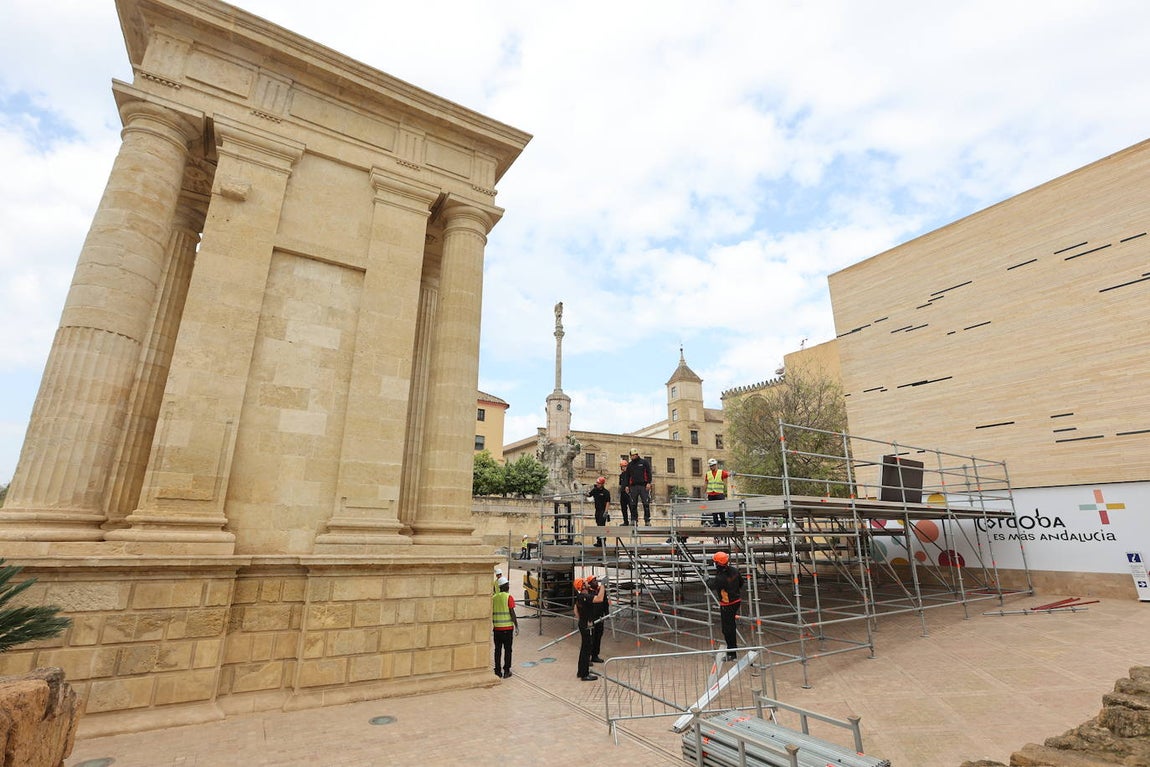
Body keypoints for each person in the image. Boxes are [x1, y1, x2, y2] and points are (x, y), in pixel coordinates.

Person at [708, 551, 743, 661]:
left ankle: (732, 653)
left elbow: (711, 585)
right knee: (730, 627)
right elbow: (741, 583)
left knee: (728, 629)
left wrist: (706, 579)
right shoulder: (734, 571)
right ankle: (732, 650)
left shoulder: (720, 578)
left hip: (727, 605)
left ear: (718, 564)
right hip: (737, 601)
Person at [574, 577, 604, 680]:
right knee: (586, 650)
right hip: (586, 626)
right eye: (585, 582)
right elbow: (599, 598)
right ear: (582, 586)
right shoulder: (584, 596)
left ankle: (581, 672)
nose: (588, 583)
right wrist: (603, 585)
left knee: (584, 649)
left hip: (583, 624)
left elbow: (575, 610)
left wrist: (582, 619)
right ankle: (584, 675)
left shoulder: (580, 597)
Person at [492, 576, 519, 678]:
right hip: (507, 629)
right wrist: (516, 626)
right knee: (508, 650)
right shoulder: (509, 597)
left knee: (497, 650)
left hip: (497, 629)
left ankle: (497, 671)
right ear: (506, 586)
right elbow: (512, 612)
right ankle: (507, 671)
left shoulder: (494, 598)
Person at [624, 448, 653, 525]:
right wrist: (627, 486)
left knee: (646, 503)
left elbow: (649, 473)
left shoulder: (644, 462)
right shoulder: (629, 465)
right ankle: (634, 520)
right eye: (631, 456)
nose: (633, 457)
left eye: (634, 455)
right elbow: (627, 476)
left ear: (637, 455)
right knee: (633, 504)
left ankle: (647, 520)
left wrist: (649, 483)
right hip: (633, 487)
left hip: (643, 486)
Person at [705, 458, 733, 527]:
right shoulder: (708, 474)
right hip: (711, 494)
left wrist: (732, 473)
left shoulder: (721, 472)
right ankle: (716, 523)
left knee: (721, 509)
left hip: (719, 494)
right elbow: (706, 483)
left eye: (713, 465)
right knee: (713, 510)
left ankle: (723, 522)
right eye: (711, 466)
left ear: (716, 465)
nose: (712, 467)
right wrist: (705, 493)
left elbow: (727, 474)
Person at [587, 575, 608, 664]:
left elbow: (605, 602)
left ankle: (595, 655)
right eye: (593, 581)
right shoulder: (588, 593)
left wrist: (606, 614)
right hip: (591, 619)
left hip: (600, 618)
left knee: (598, 637)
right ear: (590, 583)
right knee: (590, 639)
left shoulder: (600, 590)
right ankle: (587, 658)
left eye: (596, 580)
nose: (596, 582)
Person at [586, 476, 611, 546]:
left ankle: (603, 542)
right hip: (597, 510)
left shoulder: (606, 492)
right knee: (598, 525)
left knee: (602, 526)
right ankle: (599, 541)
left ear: (602, 484)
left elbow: (607, 502)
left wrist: (606, 512)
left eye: (599, 483)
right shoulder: (595, 490)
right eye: (597, 483)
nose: (597, 484)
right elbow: (589, 495)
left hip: (603, 511)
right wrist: (584, 492)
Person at [617, 459, 634, 525]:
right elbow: (621, 484)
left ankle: (633, 521)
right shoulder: (621, 475)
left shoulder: (631, 474)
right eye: (622, 467)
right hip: (623, 493)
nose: (623, 468)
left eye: (624, 466)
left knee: (631, 507)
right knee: (623, 508)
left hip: (629, 492)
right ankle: (625, 521)